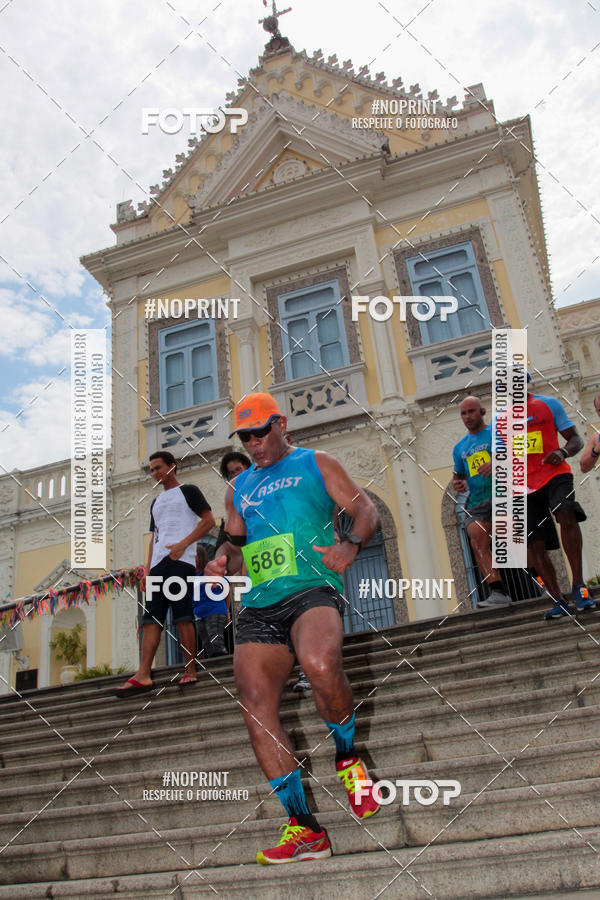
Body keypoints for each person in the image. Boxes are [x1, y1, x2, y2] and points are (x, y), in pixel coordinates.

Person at [205, 392, 381, 865]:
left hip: (310, 590)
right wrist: (222, 560)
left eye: (262, 431)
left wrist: (349, 544)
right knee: (256, 708)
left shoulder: (317, 463)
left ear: (281, 424)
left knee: (321, 663)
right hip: (260, 604)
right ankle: (305, 828)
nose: (255, 442)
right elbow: (237, 546)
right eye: (246, 436)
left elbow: (367, 512)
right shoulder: (238, 487)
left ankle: (347, 759)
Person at [115, 451, 215, 697]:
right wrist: (148, 570)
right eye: (151, 469)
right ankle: (143, 674)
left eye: (159, 467)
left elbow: (209, 520)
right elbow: (154, 537)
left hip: (182, 564)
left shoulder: (189, 491)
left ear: (172, 466)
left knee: (183, 616)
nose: (155, 473)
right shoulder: (156, 502)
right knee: (151, 620)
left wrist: (183, 544)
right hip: (159, 565)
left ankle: (190, 668)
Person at [522, 376, 594, 617]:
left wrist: (562, 451)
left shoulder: (549, 404)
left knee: (566, 511)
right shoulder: (500, 419)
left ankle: (579, 585)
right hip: (525, 484)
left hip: (555, 473)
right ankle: (557, 599)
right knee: (534, 542)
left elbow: (575, 439)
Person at [452, 396, 512, 607]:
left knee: (519, 541)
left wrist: (496, 462)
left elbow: (516, 455)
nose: (468, 416)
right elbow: (458, 475)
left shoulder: (497, 432)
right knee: (476, 537)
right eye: (464, 413)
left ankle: (543, 583)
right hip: (478, 501)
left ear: (482, 411)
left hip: (505, 495)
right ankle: (498, 591)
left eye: (472, 411)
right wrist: (458, 484)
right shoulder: (460, 447)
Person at [194, 543, 229, 658]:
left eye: (194, 555)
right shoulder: (192, 574)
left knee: (216, 643)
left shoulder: (210, 571)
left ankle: (224, 671)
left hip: (215, 610)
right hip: (199, 615)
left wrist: (227, 610)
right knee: (208, 647)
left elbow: (226, 588)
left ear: (200, 557)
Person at [579, 393, 600, 474]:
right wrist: (596, 450)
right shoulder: (596, 436)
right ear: (596, 411)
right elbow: (583, 467)